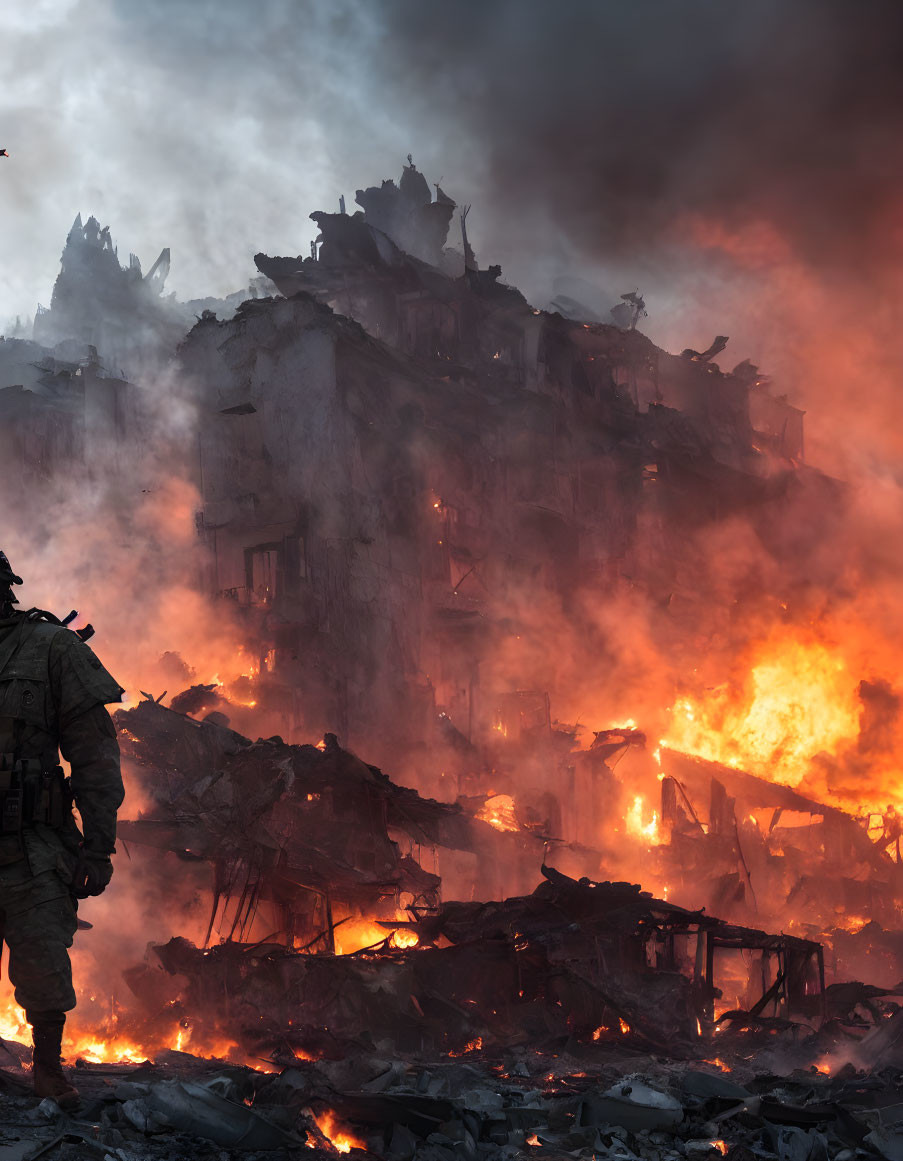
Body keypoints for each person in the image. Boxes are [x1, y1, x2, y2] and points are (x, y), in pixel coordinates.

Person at [0, 550, 124, 1107]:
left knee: (44, 963)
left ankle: (47, 1069)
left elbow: (95, 758)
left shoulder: (51, 648)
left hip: (31, 845)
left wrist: (98, 850)